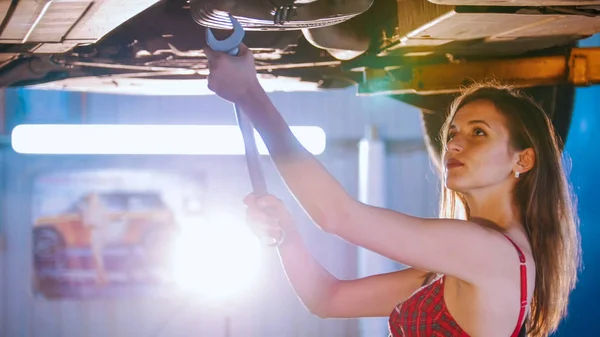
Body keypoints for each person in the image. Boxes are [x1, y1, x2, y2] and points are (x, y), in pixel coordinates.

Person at [205, 44, 581, 337]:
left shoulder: (488, 253)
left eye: (478, 132)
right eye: (452, 133)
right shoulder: (473, 258)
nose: (453, 144)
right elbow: (327, 299)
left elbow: (337, 216)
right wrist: (284, 232)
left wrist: (251, 95)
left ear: (524, 160)